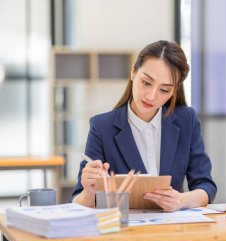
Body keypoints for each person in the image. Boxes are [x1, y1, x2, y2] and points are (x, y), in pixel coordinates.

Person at [72, 40, 217, 211]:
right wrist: (89, 193)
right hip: (125, 232)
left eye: (164, 90)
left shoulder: (187, 120)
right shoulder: (102, 127)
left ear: (174, 91)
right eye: (146, 83)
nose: (151, 96)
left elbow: (206, 186)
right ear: (133, 72)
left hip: (174, 231)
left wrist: (181, 200)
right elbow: (77, 200)